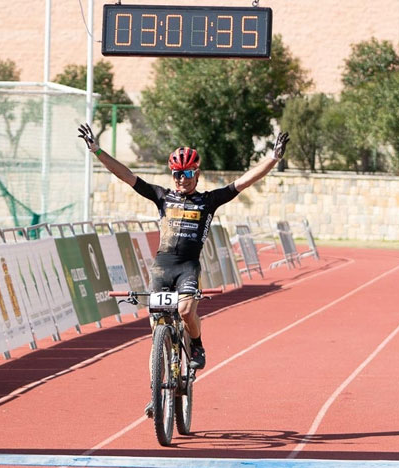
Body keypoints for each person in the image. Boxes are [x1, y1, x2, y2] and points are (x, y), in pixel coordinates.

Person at [77, 124, 288, 411]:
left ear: (196, 175)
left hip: (188, 267)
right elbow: (127, 175)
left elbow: (244, 182)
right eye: (177, 174)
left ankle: (197, 344)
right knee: (156, 330)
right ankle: (156, 395)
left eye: (187, 174)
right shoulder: (163, 197)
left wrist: (273, 159)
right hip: (162, 268)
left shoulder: (208, 201)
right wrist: (97, 151)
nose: (181, 179)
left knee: (187, 310)